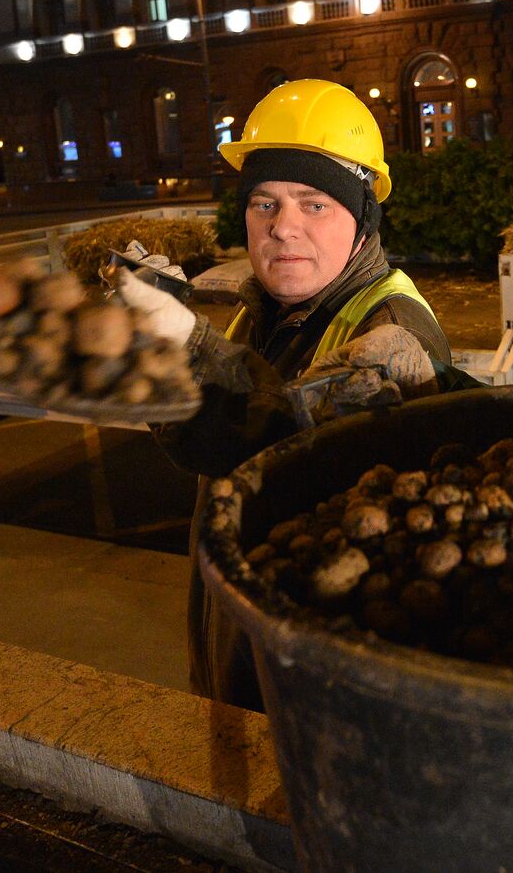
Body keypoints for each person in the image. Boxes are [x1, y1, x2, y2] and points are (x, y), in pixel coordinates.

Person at [119, 78, 451, 707]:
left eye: (314, 204)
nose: (283, 228)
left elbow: (286, 450)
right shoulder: (263, 313)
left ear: (362, 220)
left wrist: (182, 345)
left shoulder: (392, 331)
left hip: (316, 685)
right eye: (264, 203)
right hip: (239, 644)